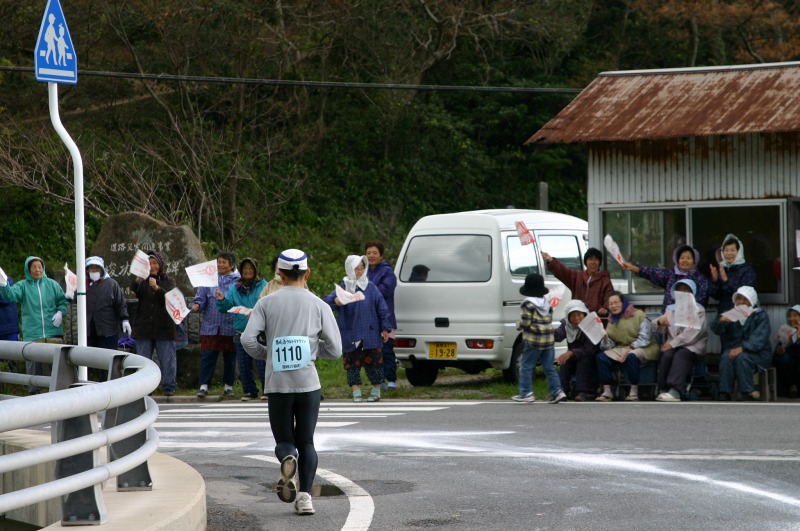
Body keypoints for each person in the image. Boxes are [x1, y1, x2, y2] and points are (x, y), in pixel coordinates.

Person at [240, 248, 342, 516]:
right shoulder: (320, 304)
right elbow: (336, 349)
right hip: (308, 384)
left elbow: (247, 340)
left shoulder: (266, 303)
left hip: (278, 384)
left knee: (285, 440)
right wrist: (313, 350)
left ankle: (288, 458)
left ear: (280, 274)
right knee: (307, 441)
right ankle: (306, 497)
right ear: (307, 273)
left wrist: (269, 355)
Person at [324, 255, 391, 403]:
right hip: (351, 332)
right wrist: (336, 301)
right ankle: (356, 392)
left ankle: (376, 390)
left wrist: (385, 328)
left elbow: (382, 307)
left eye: (362, 267)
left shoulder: (371, 287)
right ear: (349, 269)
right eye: (356, 268)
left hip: (371, 331)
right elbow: (326, 302)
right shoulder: (343, 287)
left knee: (374, 362)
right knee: (352, 362)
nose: (359, 271)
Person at [0, 257, 68, 394]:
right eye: (34, 267)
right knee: (33, 368)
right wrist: (3, 284)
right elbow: (10, 295)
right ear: (28, 269)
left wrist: (61, 312)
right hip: (33, 334)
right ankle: (33, 394)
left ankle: (59, 394)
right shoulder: (22, 286)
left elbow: (63, 301)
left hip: (53, 333)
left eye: (40, 266)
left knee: (56, 367)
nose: (38, 270)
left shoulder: (52, 285)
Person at [217, 257, 267, 401]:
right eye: (245, 269)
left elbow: (269, 305)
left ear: (256, 270)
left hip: (260, 331)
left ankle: (267, 390)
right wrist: (221, 300)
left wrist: (255, 314)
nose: (247, 271)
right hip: (241, 330)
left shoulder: (264, 285)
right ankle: (250, 391)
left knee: (262, 362)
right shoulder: (235, 287)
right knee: (244, 363)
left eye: (250, 269)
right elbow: (227, 307)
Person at [512, 273, 567, 404]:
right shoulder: (546, 303)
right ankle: (557, 392)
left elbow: (526, 323)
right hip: (548, 340)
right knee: (549, 367)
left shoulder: (527, 304)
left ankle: (526, 393)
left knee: (526, 366)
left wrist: (518, 325)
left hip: (534, 340)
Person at [710, 286, 771, 401]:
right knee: (725, 357)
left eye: (745, 299)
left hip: (758, 353)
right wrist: (720, 321)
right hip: (733, 351)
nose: (741, 302)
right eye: (739, 299)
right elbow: (717, 330)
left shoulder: (760, 315)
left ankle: (747, 391)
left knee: (742, 357)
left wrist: (742, 348)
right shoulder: (733, 313)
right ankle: (725, 392)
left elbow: (759, 339)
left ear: (752, 301)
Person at [596, 291, 660, 402]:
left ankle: (633, 391)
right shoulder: (612, 319)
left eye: (616, 302)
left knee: (631, 356)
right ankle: (607, 391)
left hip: (645, 347)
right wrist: (605, 340)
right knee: (601, 357)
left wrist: (629, 350)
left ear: (623, 302)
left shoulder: (639, 315)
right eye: (610, 304)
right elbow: (610, 343)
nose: (613, 306)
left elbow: (645, 338)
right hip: (622, 348)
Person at [192, 252, 240, 398]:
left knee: (230, 357)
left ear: (231, 265)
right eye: (218, 262)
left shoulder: (238, 281)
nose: (220, 265)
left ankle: (228, 386)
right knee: (208, 356)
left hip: (230, 325)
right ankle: (204, 386)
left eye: (224, 262)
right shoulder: (208, 278)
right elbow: (200, 298)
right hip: (210, 325)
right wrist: (197, 305)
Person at [651, 279, 708, 402]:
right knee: (667, 355)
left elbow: (694, 333)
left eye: (686, 290)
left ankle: (675, 390)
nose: (682, 293)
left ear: (692, 293)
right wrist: (660, 322)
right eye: (680, 290)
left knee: (681, 354)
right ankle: (663, 388)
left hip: (693, 346)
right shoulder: (671, 309)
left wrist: (672, 344)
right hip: (673, 346)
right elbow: (657, 327)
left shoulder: (699, 309)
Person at [131, 251, 177, 396]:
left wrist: (157, 288)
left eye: (155, 263)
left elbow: (170, 300)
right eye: (149, 264)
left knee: (167, 358)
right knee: (143, 360)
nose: (152, 266)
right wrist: (138, 280)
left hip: (164, 327)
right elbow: (135, 290)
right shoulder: (142, 281)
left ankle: (169, 386)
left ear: (160, 265)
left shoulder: (169, 281)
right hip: (144, 327)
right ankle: (145, 388)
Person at [83, 256, 131, 379]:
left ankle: (108, 384)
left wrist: (124, 319)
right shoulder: (83, 285)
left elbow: (120, 303)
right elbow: (73, 300)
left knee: (108, 359)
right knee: (87, 360)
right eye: (91, 268)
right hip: (88, 330)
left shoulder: (111, 284)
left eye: (97, 268)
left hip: (107, 330)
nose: (94, 271)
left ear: (102, 269)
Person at [622, 244, 709, 311]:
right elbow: (652, 272)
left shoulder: (700, 278)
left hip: (690, 322)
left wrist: (685, 311)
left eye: (688, 258)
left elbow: (702, 300)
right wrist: (632, 268)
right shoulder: (671, 274)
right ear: (677, 260)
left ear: (694, 261)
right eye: (682, 258)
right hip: (669, 321)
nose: (685, 260)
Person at [365, 241, 398, 391]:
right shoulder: (363, 271)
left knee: (386, 352)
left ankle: (391, 380)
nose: (371, 256)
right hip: (369, 321)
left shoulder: (388, 272)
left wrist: (366, 288)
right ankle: (379, 381)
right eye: (368, 253)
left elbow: (386, 290)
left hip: (386, 320)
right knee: (373, 353)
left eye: (375, 253)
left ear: (381, 256)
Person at [542, 247, 613, 316]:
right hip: (576, 318)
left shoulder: (605, 280)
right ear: (586, 262)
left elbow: (610, 297)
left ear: (599, 262)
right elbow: (563, 272)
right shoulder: (577, 276)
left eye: (596, 259)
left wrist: (605, 308)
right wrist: (551, 260)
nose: (593, 262)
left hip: (595, 320)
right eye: (590, 259)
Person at [554, 299, 599, 402]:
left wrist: (571, 353)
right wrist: (546, 331)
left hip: (591, 356)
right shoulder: (566, 325)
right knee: (564, 362)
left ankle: (583, 392)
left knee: (583, 361)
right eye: (573, 315)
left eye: (579, 314)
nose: (576, 318)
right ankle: (562, 392)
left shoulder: (591, 325)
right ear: (568, 318)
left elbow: (590, 349)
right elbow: (558, 335)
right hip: (574, 355)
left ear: (584, 314)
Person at [708, 234, 757, 313]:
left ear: (739, 252)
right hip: (723, 313)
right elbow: (716, 296)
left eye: (732, 250)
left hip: (742, 313)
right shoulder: (722, 269)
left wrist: (726, 281)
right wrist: (715, 281)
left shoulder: (747, 270)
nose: (729, 253)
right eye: (726, 250)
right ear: (722, 253)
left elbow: (746, 296)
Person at [772, 305, 800, 398]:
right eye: (790, 316)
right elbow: (775, 355)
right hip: (789, 368)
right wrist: (780, 351)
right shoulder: (786, 331)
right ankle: (792, 386)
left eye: (795, 315)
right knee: (783, 358)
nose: (792, 318)